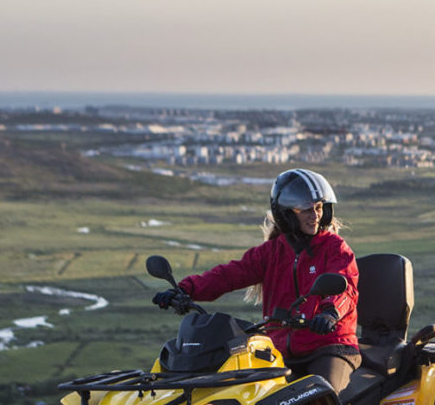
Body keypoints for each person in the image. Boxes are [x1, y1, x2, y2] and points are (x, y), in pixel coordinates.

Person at [154, 168, 360, 393]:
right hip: (278, 351)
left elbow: (345, 286)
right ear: (286, 215)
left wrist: (330, 313)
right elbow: (229, 275)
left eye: (319, 208)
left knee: (322, 396)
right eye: (306, 210)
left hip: (329, 347)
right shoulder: (270, 253)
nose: (315, 216)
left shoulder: (335, 248)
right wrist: (185, 290)